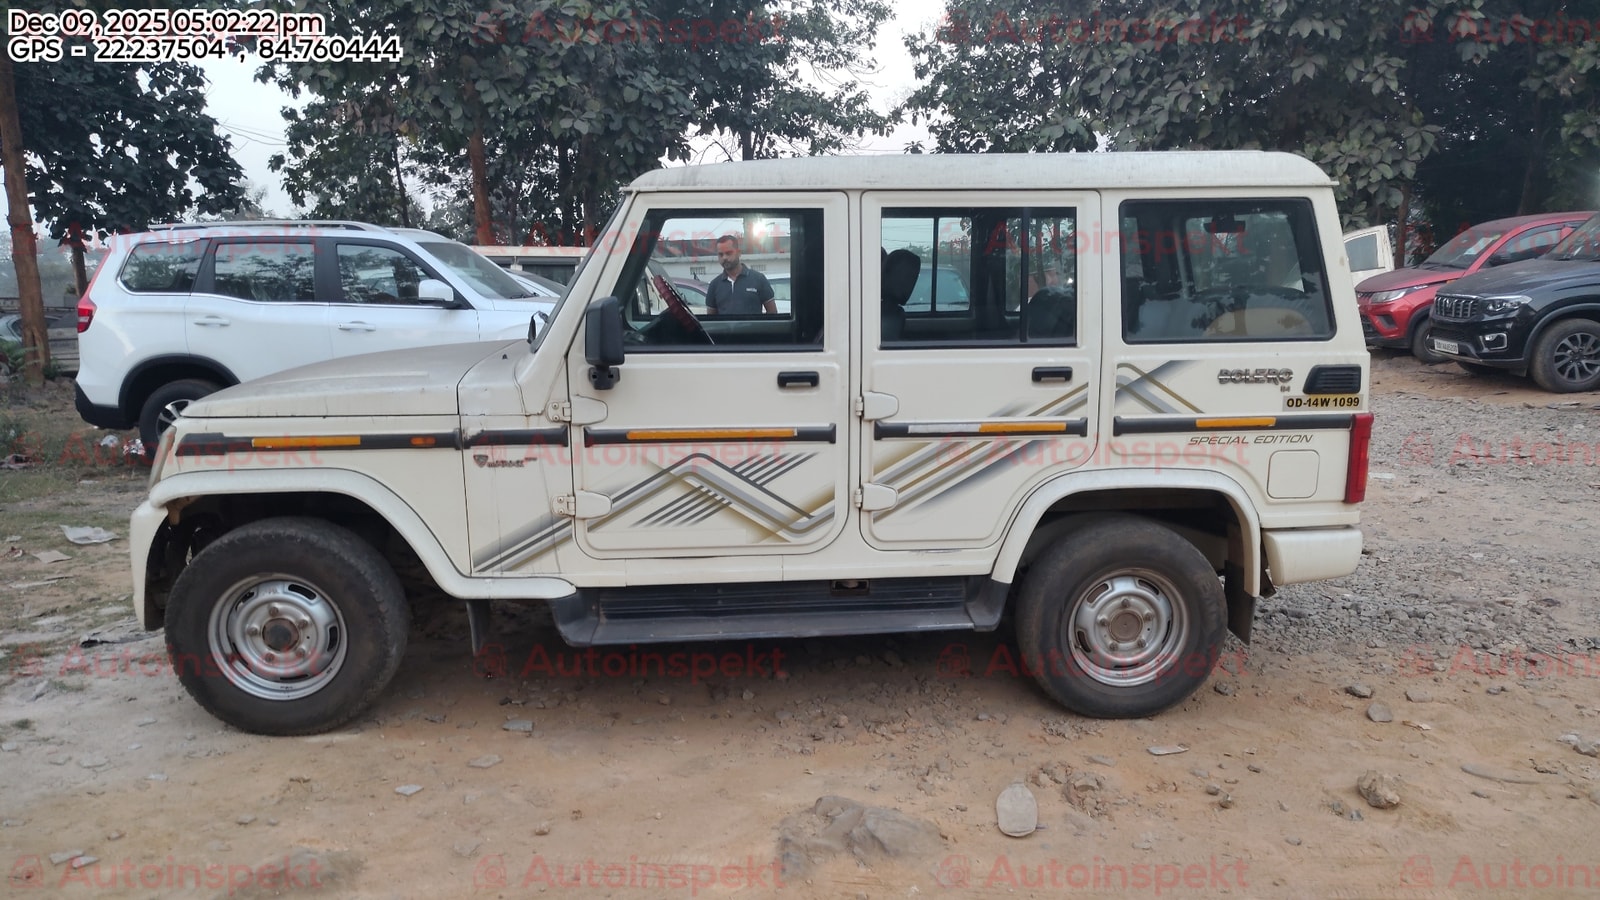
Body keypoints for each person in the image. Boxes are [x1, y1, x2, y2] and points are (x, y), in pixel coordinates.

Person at [705, 234, 775, 314]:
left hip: (753, 327)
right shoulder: (714, 285)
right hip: (725, 327)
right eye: (721, 254)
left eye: (728, 253)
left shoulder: (758, 279)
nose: (724, 257)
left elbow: (772, 313)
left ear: (739, 253)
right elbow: (711, 319)